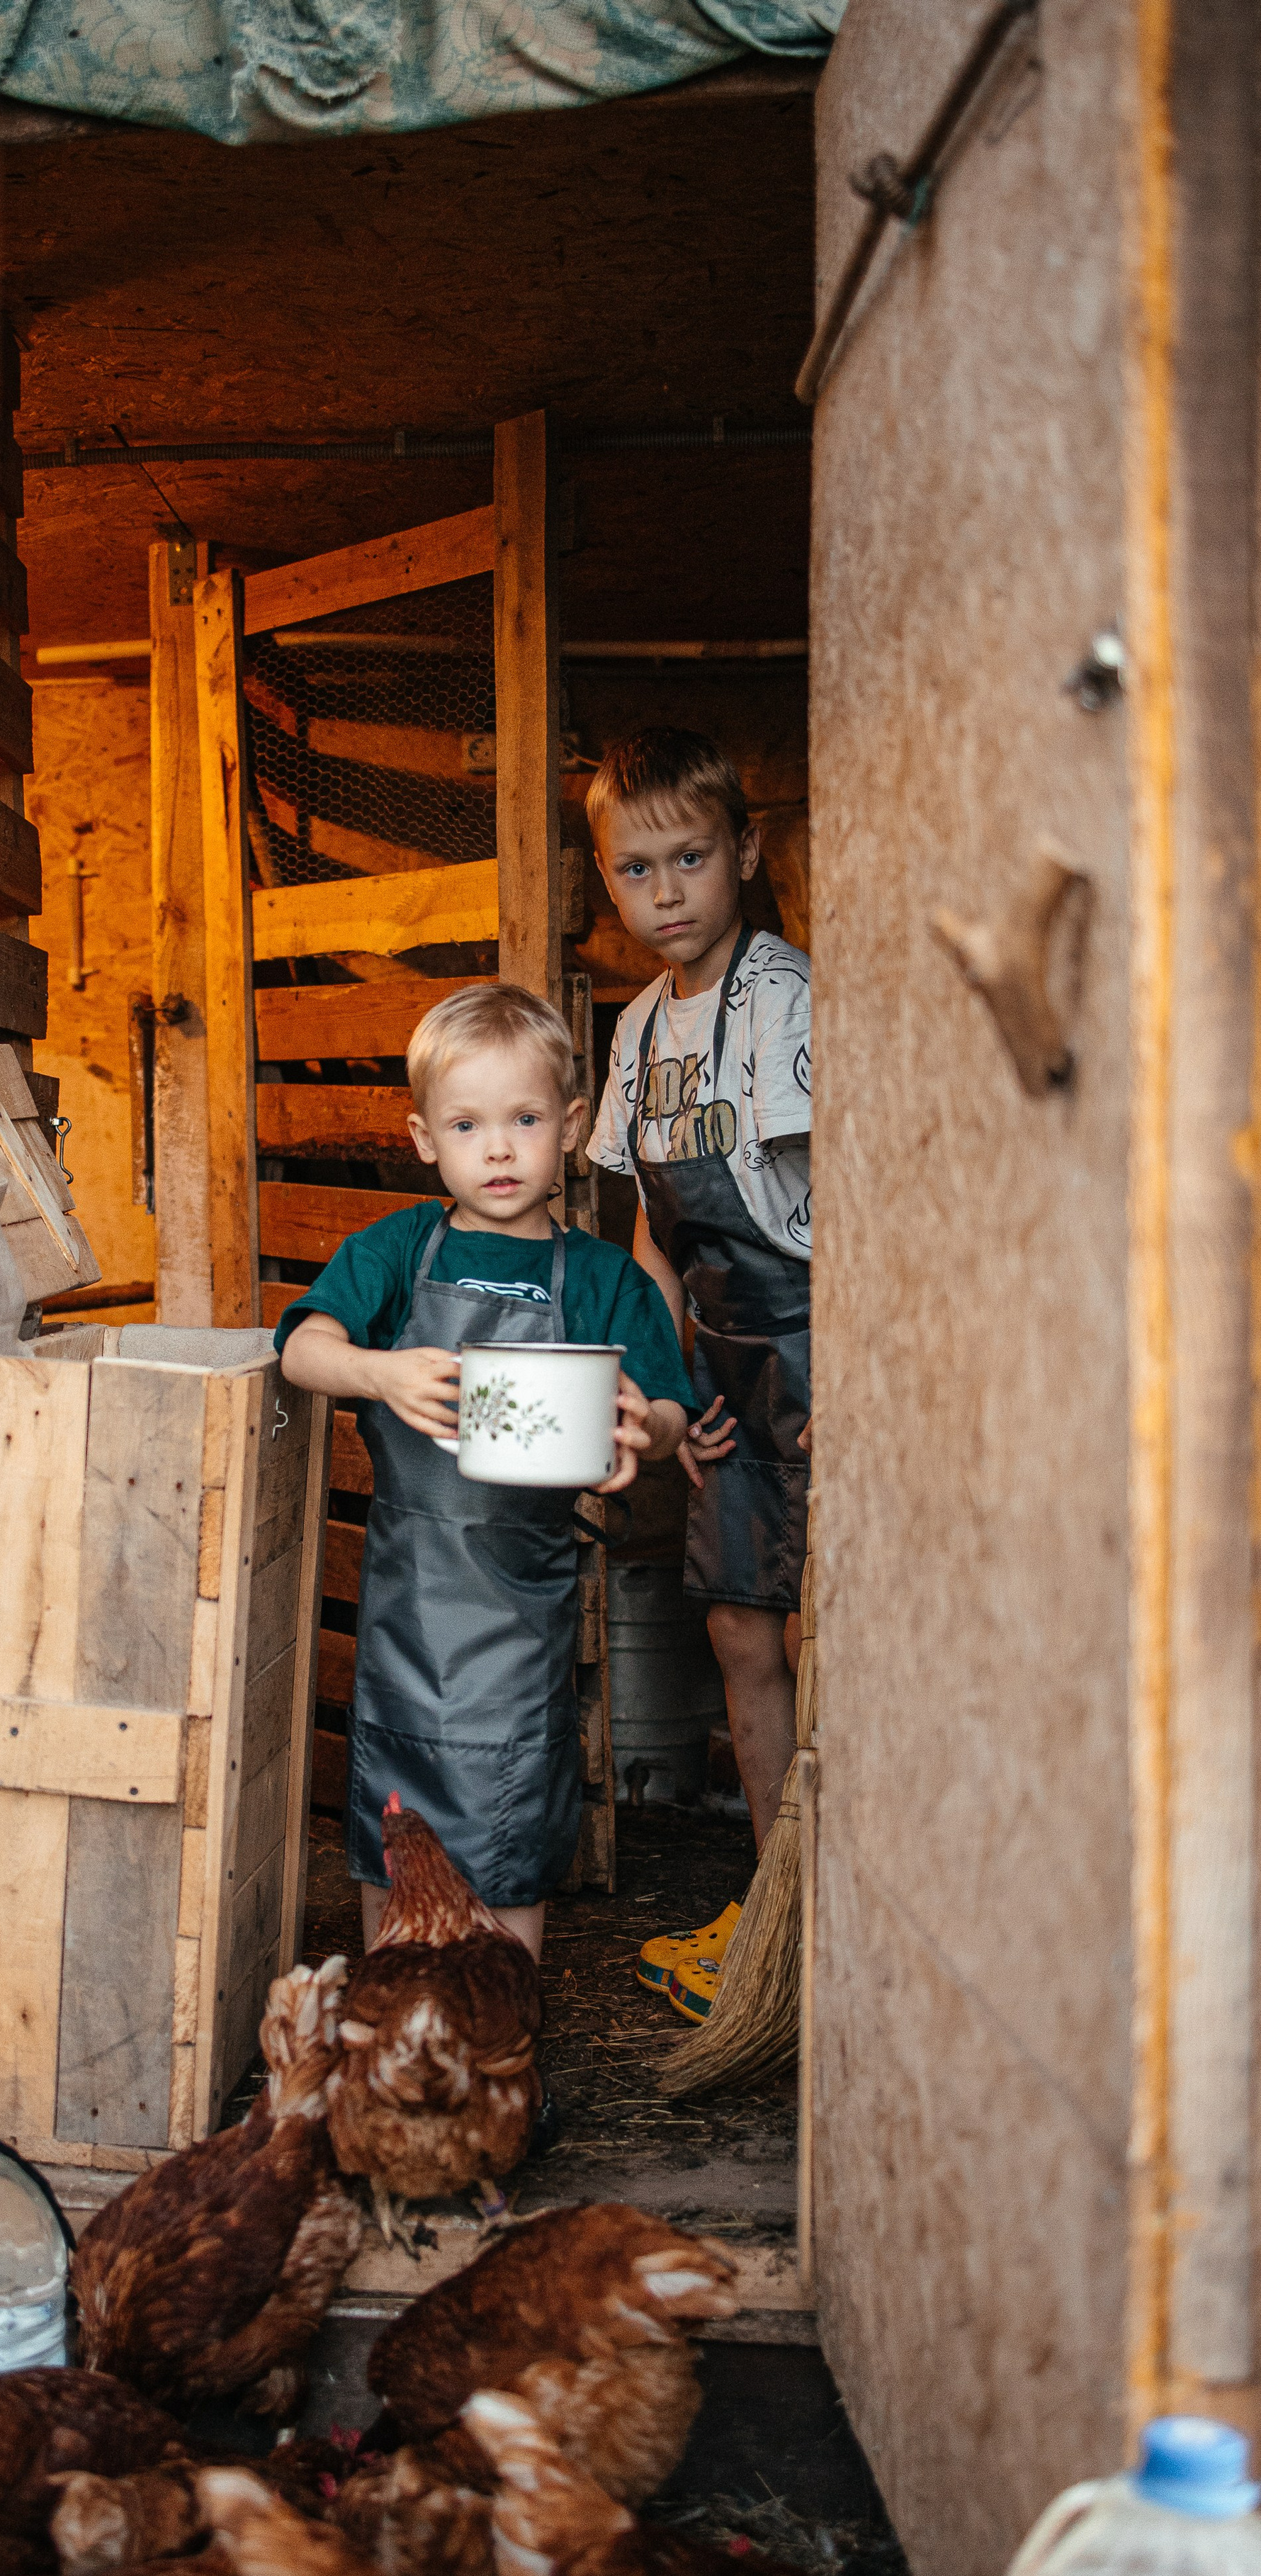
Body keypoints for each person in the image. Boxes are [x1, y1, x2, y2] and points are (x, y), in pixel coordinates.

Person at [276, 980, 693, 2001]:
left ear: (575, 1129)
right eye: (468, 1125)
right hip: (409, 1607)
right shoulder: (394, 1253)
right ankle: (389, 2023)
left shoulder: (602, 1280)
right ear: (424, 1138)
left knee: (514, 1820)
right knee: (393, 1825)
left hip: (524, 1605)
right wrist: (379, 1371)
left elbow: (673, 1409)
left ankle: (500, 2044)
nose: (498, 1150)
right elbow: (302, 1347)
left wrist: (642, 1424)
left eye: (525, 1121)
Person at [584, 726, 812, 2024]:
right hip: (725, 1358)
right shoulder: (634, 1034)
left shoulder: (783, 997)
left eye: (689, 859)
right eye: (633, 870)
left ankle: (845, 1894)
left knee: (825, 1630)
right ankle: (779, 1898)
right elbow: (653, 1234)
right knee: (736, 1623)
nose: (664, 893)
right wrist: (673, 1391)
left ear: (744, 853)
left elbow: (834, 1194)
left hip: (817, 1340)